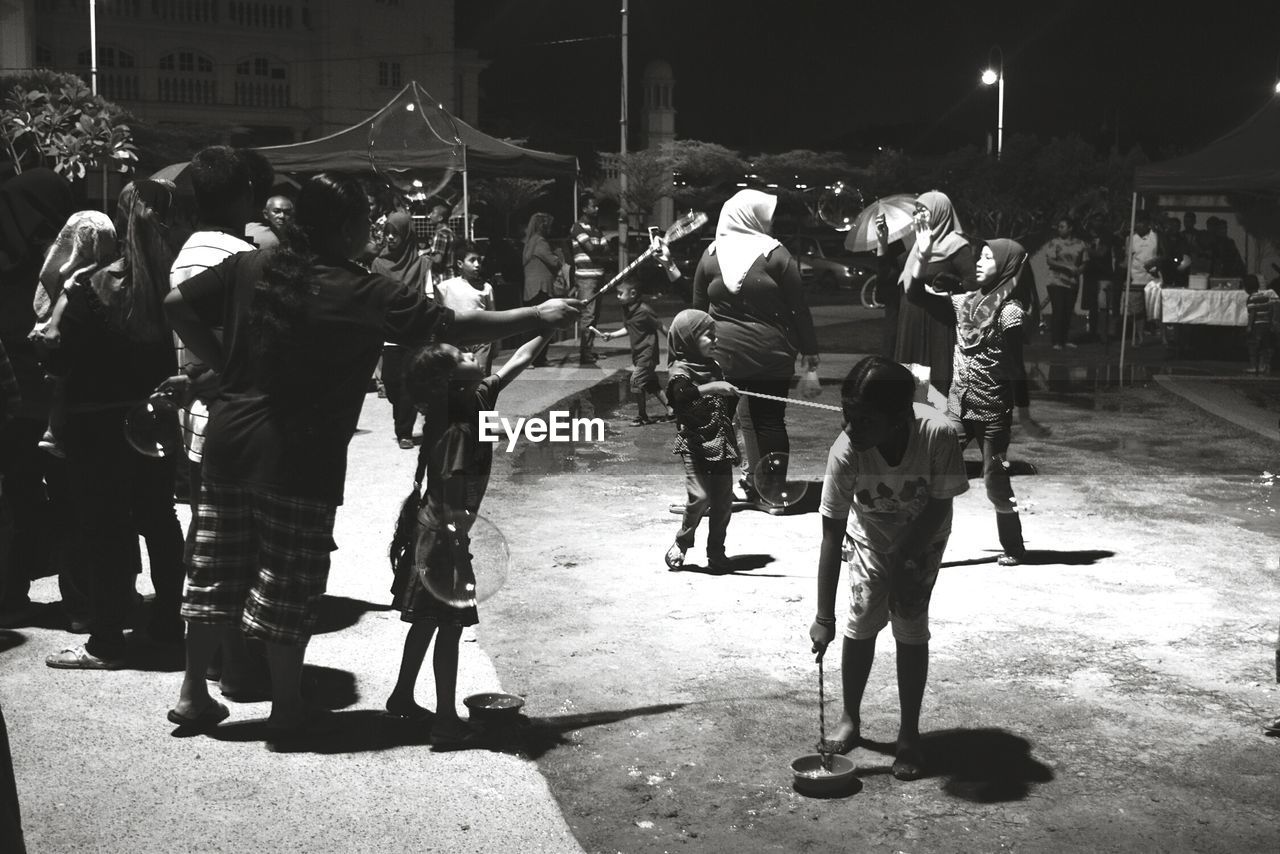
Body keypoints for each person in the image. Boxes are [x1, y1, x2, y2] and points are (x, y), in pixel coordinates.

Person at [162, 172, 579, 736]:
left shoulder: (249, 267)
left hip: (229, 445)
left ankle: (193, 695)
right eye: (368, 223)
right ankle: (286, 707)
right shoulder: (364, 290)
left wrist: (223, 367)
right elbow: (455, 324)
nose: (375, 233)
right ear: (344, 227)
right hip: (299, 458)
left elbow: (175, 304)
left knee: (214, 571)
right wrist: (537, 315)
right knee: (287, 580)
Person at [44, 179, 187, 668]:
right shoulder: (181, 277)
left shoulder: (89, 282)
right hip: (156, 419)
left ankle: (107, 640)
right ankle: (171, 624)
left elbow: (61, 356)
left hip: (95, 426)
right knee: (160, 519)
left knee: (104, 530)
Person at [386, 330, 550, 746]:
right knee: (449, 627)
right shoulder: (458, 429)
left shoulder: (476, 397)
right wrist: (461, 552)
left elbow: (521, 359)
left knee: (425, 622)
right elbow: (452, 502)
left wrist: (550, 325)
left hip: (432, 531)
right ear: (452, 381)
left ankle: (402, 695)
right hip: (442, 538)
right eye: (459, 354)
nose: (470, 351)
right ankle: (445, 721)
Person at [809, 356, 968, 781]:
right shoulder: (846, 451)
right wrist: (824, 616)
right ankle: (849, 719)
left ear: (900, 417)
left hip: (924, 537)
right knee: (859, 624)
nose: (850, 428)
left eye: (864, 419)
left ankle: (908, 733)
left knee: (910, 629)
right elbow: (831, 533)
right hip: (870, 537)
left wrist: (907, 554)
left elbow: (939, 503)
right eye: (847, 416)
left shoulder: (938, 433)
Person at [169, 145, 267, 697]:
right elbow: (244, 348)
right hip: (234, 419)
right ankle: (233, 666)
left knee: (209, 542)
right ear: (242, 195)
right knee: (232, 550)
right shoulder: (236, 256)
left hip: (199, 421)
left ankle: (216, 665)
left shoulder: (187, 250)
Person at [691, 188, 820, 511]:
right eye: (767, 216)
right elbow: (799, 308)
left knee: (716, 424)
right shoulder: (776, 254)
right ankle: (772, 494)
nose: (770, 222)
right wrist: (811, 355)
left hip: (724, 357)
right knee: (770, 423)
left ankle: (711, 495)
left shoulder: (710, 254)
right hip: (772, 356)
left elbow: (696, 310)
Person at [0, 169, 75, 627]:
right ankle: (77, 595)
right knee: (65, 496)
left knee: (16, 495)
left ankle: (11, 591)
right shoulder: (56, 266)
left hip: (11, 404)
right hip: (50, 401)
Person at [948, 239, 1051, 565]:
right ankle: (921, 542)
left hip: (992, 409)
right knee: (933, 469)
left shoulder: (1009, 312)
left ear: (1007, 266)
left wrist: (1025, 414)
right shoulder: (964, 301)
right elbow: (919, 295)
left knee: (995, 479)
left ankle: (1014, 546)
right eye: (978, 256)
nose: (979, 261)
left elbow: (1016, 368)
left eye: (988, 257)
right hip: (957, 406)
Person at [27, 211, 118, 458]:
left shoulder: (83, 275)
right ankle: (53, 431)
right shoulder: (87, 275)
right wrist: (54, 328)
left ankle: (54, 431)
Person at [663, 309, 739, 572]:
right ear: (689, 339)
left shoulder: (714, 366)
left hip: (719, 442)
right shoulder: (679, 370)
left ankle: (716, 552)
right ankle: (682, 543)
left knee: (723, 502)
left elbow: (726, 403)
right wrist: (715, 387)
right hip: (694, 444)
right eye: (709, 336)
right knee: (700, 496)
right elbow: (681, 398)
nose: (715, 341)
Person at [894, 190, 976, 399]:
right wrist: (922, 252)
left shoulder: (956, 245)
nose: (918, 216)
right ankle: (917, 418)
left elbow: (972, 285)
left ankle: (940, 422)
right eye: (917, 211)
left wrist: (953, 283)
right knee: (914, 378)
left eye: (924, 211)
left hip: (937, 320)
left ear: (940, 213)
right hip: (912, 317)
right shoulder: (920, 244)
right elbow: (908, 283)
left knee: (936, 375)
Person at [373, 210, 431, 449]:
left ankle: (404, 432)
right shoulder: (378, 263)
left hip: (414, 332)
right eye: (387, 233)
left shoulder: (422, 264)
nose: (390, 238)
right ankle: (410, 409)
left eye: (395, 234)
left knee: (406, 383)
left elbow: (428, 296)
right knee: (392, 382)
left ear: (406, 235)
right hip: (389, 332)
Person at [589, 280, 671, 425]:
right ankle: (672, 410)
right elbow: (628, 327)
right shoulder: (627, 310)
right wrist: (612, 335)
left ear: (633, 294)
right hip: (638, 354)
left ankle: (642, 416)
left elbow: (661, 327)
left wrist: (675, 344)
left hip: (648, 353)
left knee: (636, 381)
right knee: (651, 383)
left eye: (621, 294)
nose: (618, 297)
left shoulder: (644, 310)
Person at [435, 240, 497, 374]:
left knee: (480, 376)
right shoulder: (445, 288)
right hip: (456, 341)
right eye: (472, 260)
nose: (477, 265)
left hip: (482, 341)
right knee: (457, 377)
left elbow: (494, 317)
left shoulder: (486, 288)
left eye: (479, 260)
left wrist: (496, 344)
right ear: (460, 264)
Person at [571, 194, 615, 365]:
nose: (596, 209)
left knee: (594, 315)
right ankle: (585, 352)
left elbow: (607, 249)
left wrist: (598, 251)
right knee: (588, 315)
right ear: (584, 208)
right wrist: (598, 251)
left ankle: (589, 349)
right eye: (593, 206)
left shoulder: (595, 229)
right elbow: (591, 249)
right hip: (586, 278)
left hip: (598, 276)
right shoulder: (577, 228)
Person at [521, 212, 561, 368]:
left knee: (532, 324)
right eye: (549, 225)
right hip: (541, 288)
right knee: (543, 325)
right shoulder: (541, 242)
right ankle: (536, 358)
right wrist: (558, 256)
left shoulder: (529, 242)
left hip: (531, 288)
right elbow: (554, 262)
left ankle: (531, 358)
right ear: (543, 225)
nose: (551, 228)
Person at [1043, 218, 1088, 350]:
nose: (1059, 229)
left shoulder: (1081, 244)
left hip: (1072, 282)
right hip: (1056, 281)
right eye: (1059, 227)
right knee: (1059, 309)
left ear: (1070, 228)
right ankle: (1056, 341)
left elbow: (1085, 261)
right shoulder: (1054, 243)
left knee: (1068, 311)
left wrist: (1079, 270)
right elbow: (1050, 261)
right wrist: (1066, 267)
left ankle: (1065, 338)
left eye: (1062, 227)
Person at [1125, 211, 1159, 346]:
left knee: (1155, 309)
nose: (1138, 226)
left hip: (1152, 278)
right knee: (1137, 311)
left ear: (1147, 224)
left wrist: (1155, 263)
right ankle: (1139, 337)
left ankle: (1162, 337)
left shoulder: (1155, 237)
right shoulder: (1131, 238)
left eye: (1140, 223)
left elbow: (1162, 254)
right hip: (1136, 278)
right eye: (1136, 223)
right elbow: (1127, 259)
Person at [1245, 274, 1277, 375]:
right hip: (1266, 325)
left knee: (1253, 346)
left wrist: (1249, 326)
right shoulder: (1265, 296)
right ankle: (1265, 365)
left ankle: (1254, 367)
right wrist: (1271, 321)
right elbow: (1271, 309)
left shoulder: (1251, 298)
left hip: (1257, 326)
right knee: (1265, 346)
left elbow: (1252, 313)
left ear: (1246, 288)